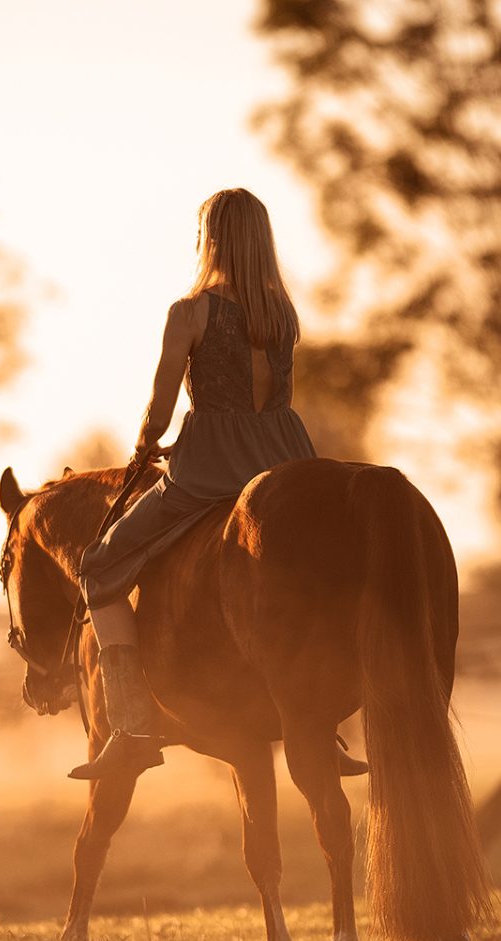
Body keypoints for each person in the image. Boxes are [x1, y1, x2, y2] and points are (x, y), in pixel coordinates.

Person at [71, 188, 365, 782]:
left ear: (211, 238)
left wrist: (146, 444)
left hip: (208, 471)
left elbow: (159, 410)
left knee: (99, 566)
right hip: (284, 463)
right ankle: (322, 724)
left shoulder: (189, 312)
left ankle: (132, 728)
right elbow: (270, 399)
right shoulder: (283, 315)